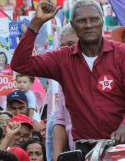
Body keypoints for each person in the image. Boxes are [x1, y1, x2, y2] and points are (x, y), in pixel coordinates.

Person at [11, 0, 125, 156]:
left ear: (102, 20)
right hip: (86, 149)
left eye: (94, 19)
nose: (89, 25)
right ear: (73, 26)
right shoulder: (62, 58)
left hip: (123, 144)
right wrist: (36, 24)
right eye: (82, 21)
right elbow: (20, 65)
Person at [51, 25, 78, 161]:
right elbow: (60, 120)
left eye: (71, 44)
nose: (66, 49)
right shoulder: (64, 78)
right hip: (76, 153)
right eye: (62, 46)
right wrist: (56, 157)